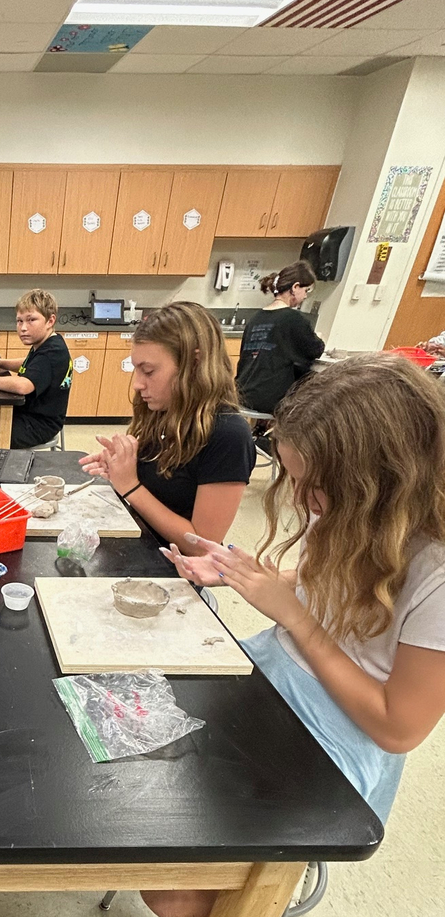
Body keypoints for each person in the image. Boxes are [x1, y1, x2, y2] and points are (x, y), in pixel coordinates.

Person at [152, 354, 445, 917]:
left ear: (382, 481)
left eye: (318, 487)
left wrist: (296, 617)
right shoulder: (348, 509)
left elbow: (397, 727)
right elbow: (318, 582)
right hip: (276, 670)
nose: (307, 504)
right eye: (297, 481)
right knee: (144, 765)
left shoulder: (434, 570)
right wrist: (242, 572)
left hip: (345, 730)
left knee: (175, 889)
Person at [79, 301, 256, 556]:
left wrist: (131, 487)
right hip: (139, 549)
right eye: (136, 369)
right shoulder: (164, 412)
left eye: (148, 371)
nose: (137, 384)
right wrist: (120, 467)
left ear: (193, 365)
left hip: (170, 576)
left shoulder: (228, 435)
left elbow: (202, 548)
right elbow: (156, 487)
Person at [0, 288, 73, 449]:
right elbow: (30, 364)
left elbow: (23, 386)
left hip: (39, 423)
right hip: (27, 412)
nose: (23, 327)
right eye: (19, 321)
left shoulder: (52, 351)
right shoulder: (48, 343)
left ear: (50, 321)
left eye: (31, 320)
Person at [236, 260, 324, 415]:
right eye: (306, 290)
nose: (305, 296)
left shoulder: (256, 318)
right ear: (295, 287)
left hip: (242, 394)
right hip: (271, 400)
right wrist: (318, 337)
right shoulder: (293, 319)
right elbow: (315, 350)